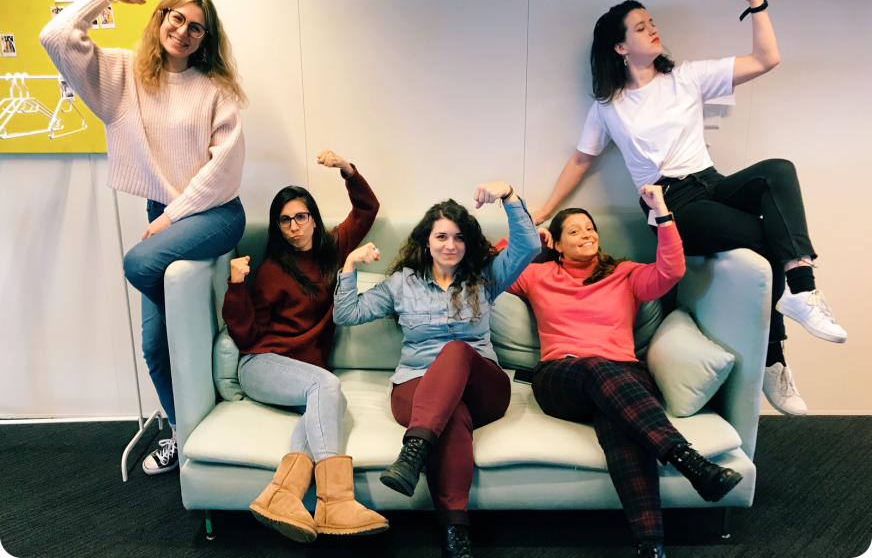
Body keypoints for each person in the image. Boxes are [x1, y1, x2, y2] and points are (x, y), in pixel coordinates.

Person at [531, 0, 846, 416]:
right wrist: (543, 211)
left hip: (710, 181)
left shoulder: (687, 78)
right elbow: (582, 159)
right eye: (640, 27)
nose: (652, 29)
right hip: (672, 205)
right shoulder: (609, 106)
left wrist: (756, 1)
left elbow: (766, 58)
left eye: (652, 22)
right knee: (762, 239)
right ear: (620, 47)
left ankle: (801, 286)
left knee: (778, 171)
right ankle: (774, 359)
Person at [40, 0, 247, 472]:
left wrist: (173, 217)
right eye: (176, 18)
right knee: (155, 345)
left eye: (196, 27)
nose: (183, 31)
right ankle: (185, 432)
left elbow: (225, 170)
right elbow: (55, 36)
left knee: (138, 261)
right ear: (159, 17)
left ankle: (216, 408)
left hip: (214, 214)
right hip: (164, 215)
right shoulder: (122, 74)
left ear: (205, 39)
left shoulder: (215, 89)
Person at [512, 185, 742, 558]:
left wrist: (663, 212)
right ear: (555, 243)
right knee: (593, 366)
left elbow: (672, 270)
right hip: (560, 378)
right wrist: (525, 240)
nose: (587, 234)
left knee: (622, 429)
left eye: (590, 229)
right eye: (574, 231)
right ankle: (692, 463)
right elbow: (487, 266)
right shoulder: (536, 276)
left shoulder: (624, 273)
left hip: (623, 379)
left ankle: (650, 546)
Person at [334, 182, 540, 558]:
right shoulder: (401, 284)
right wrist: (349, 265)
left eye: (459, 237)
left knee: (457, 349)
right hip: (416, 387)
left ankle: (412, 452)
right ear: (426, 241)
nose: (450, 245)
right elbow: (347, 313)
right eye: (441, 236)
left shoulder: (484, 278)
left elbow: (529, 247)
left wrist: (509, 195)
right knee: (450, 413)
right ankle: (455, 534)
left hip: (483, 389)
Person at [222, 150, 388, 542]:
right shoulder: (270, 271)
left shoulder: (333, 249)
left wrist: (347, 168)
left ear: (313, 217)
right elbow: (246, 337)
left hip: (304, 373)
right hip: (262, 366)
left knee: (328, 400)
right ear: (277, 227)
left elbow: (367, 209)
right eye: (285, 220)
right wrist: (235, 286)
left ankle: (282, 497)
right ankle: (334, 503)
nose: (294, 226)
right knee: (327, 388)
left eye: (301, 216)